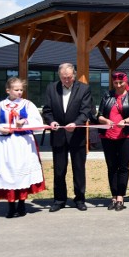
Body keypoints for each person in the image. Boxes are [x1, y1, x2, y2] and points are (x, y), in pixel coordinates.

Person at [0, 77, 46, 218]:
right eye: (16, 90)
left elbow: (38, 124)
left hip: (23, 144)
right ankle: (10, 205)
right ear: (8, 90)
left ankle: (21, 203)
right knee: (9, 173)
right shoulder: (0, 106)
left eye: (21, 90)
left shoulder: (27, 105)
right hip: (6, 145)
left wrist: (25, 122)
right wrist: (1, 129)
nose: (19, 92)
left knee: (22, 171)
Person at [42, 63, 93, 212]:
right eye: (63, 78)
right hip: (58, 135)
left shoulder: (84, 89)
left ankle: (80, 199)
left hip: (77, 135)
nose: (66, 81)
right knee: (59, 170)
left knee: (78, 169)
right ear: (59, 76)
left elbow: (86, 111)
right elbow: (47, 110)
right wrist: (51, 121)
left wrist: (76, 123)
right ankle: (59, 199)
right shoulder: (51, 88)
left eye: (69, 77)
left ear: (74, 75)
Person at [96, 71, 129, 211]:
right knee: (111, 166)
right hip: (108, 135)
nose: (119, 85)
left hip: (125, 135)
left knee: (123, 166)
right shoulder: (107, 95)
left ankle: (121, 196)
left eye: (121, 82)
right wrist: (106, 120)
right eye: (116, 83)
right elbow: (99, 115)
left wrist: (124, 121)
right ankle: (113, 196)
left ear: (126, 82)